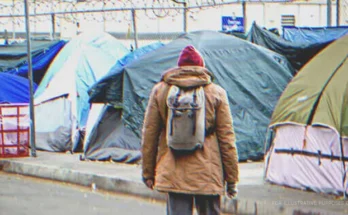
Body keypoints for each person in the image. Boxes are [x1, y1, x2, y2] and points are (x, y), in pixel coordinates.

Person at [141, 45, 239, 215]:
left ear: (179, 67)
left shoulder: (160, 91)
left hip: (173, 169)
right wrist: (231, 178)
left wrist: (148, 172)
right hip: (207, 172)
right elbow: (227, 139)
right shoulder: (216, 93)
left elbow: (150, 134)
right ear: (202, 66)